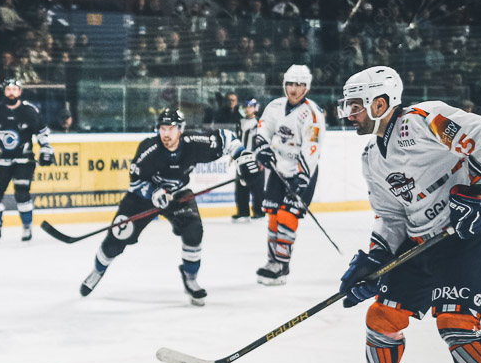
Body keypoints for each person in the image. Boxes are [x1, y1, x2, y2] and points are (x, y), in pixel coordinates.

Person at [335, 65, 481, 363]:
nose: (349, 114)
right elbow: (391, 217)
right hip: (421, 241)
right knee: (382, 316)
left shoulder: (422, 121)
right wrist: (374, 259)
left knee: (455, 320)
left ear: (380, 103)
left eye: (355, 105)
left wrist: (477, 192)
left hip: (468, 234)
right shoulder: (371, 158)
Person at [80, 107, 253, 305]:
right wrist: (153, 193)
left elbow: (227, 138)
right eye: (163, 128)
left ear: (180, 129)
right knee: (116, 239)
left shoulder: (193, 142)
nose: (166, 134)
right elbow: (135, 181)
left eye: (171, 128)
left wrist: (242, 156)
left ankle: (190, 278)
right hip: (142, 198)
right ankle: (97, 271)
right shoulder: (149, 149)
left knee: (194, 231)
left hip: (178, 194)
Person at [252, 65, 325, 284]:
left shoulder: (312, 113)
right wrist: (262, 148)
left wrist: (301, 177)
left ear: (306, 87)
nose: (294, 89)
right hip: (278, 169)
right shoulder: (275, 106)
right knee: (274, 215)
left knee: (287, 216)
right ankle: (272, 262)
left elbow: (312, 148)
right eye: (290, 84)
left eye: (299, 85)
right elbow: (264, 129)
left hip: (302, 172)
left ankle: (282, 266)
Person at [0, 78, 54, 242]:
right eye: (8, 89)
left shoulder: (29, 110)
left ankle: (27, 228)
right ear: (4, 92)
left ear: (20, 92)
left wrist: (46, 149)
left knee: (22, 194)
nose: (11, 92)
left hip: (24, 161)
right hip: (2, 161)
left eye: (14, 89)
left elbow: (42, 132)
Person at [232, 98, 265, 221]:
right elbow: (237, 140)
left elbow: (263, 141)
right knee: (241, 186)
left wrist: (261, 159)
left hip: (255, 158)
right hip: (241, 159)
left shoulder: (259, 123)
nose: (247, 109)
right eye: (246, 106)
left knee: (257, 187)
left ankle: (259, 211)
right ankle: (243, 211)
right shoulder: (240, 122)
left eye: (250, 106)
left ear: (256, 108)